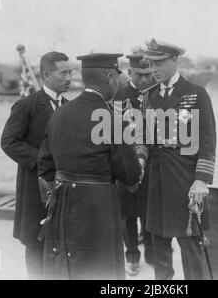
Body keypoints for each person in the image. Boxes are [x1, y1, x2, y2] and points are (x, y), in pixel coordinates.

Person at [37, 53, 143, 280]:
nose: (118, 81)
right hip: (98, 208)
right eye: (117, 76)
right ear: (109, 77)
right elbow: (131, 175)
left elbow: (44, 166)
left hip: (62, 202)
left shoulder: (60, 113)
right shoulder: (111, 119)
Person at [143, 38, 216, 280]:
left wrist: (201, 181)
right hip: (157, 184)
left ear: (175, 60)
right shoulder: (149, 97)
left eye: (159, 64)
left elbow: (207, 142)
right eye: (151, 65)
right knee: (159, 252)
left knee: (191, 250)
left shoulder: (196, 95)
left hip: (185, 183)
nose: (154, 70)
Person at [1, 51, 71, 279]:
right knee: (34, 244)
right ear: (47, 75)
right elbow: (9, 142)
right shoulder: (27, 105)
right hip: (33, 190)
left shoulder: (71, 108)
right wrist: (42, 161)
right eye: (64, 73)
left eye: (70, 72)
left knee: (59, 243)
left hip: (62, 189)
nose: (70, 77)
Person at [114, 48, 156, 275]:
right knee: (127, 211)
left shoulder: (158, 94)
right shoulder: (120, 96)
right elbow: (115, 134)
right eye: (139, 74)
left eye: (148, 73)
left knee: (149, 210)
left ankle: (151, 250)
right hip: (127, 162)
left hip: (152, 164)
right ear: (130, 71)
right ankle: (131, 254)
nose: (144, 78)